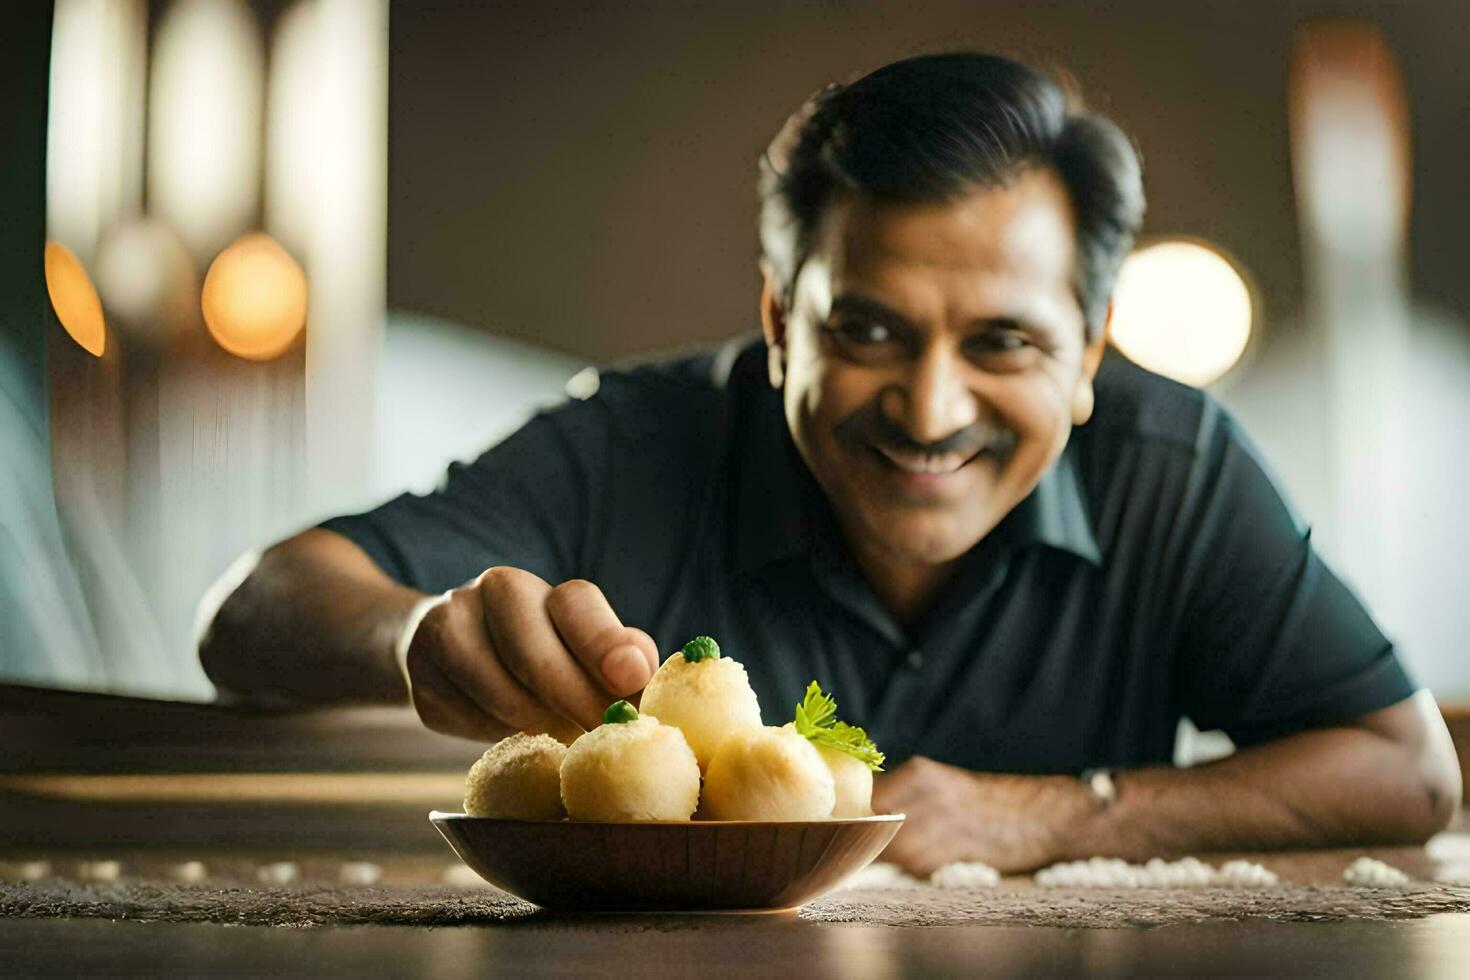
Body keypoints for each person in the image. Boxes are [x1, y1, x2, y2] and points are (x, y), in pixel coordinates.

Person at [200, 52, 1460, 874]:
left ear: (1089, 357)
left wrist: (1052, 814)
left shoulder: (1174, 464)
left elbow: (1406, 768)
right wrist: (416, 629)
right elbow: (251, 610)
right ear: (775, 325)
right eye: (867, 330)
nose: (928, 405)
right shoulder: (634, 439)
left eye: (1005, 342)